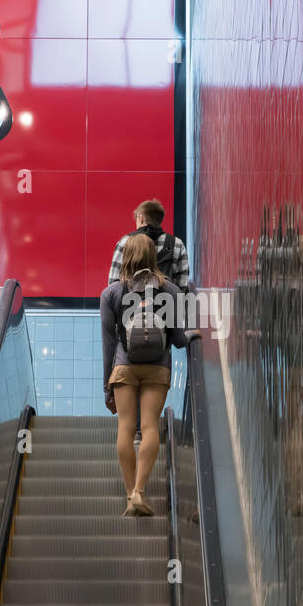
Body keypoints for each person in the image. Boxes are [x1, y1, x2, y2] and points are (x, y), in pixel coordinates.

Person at [101, 234, 199, 517]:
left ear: (126, 257)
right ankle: (140, 491)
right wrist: (193, 334)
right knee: (150, 427)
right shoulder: (169, 290)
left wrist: (107, 386)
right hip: (158, 367)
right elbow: (179, 340)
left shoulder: (112, 293)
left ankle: (130, 494)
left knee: (126, 428)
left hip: (123, 367)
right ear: (153, 257)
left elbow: (108, 343)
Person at [107, 198, 190, 293]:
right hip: (165, 305)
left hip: (130, 305)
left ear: (140, 218)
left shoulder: (125, 242)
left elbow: (113, 282)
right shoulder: (177, 244)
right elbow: (182, 285)